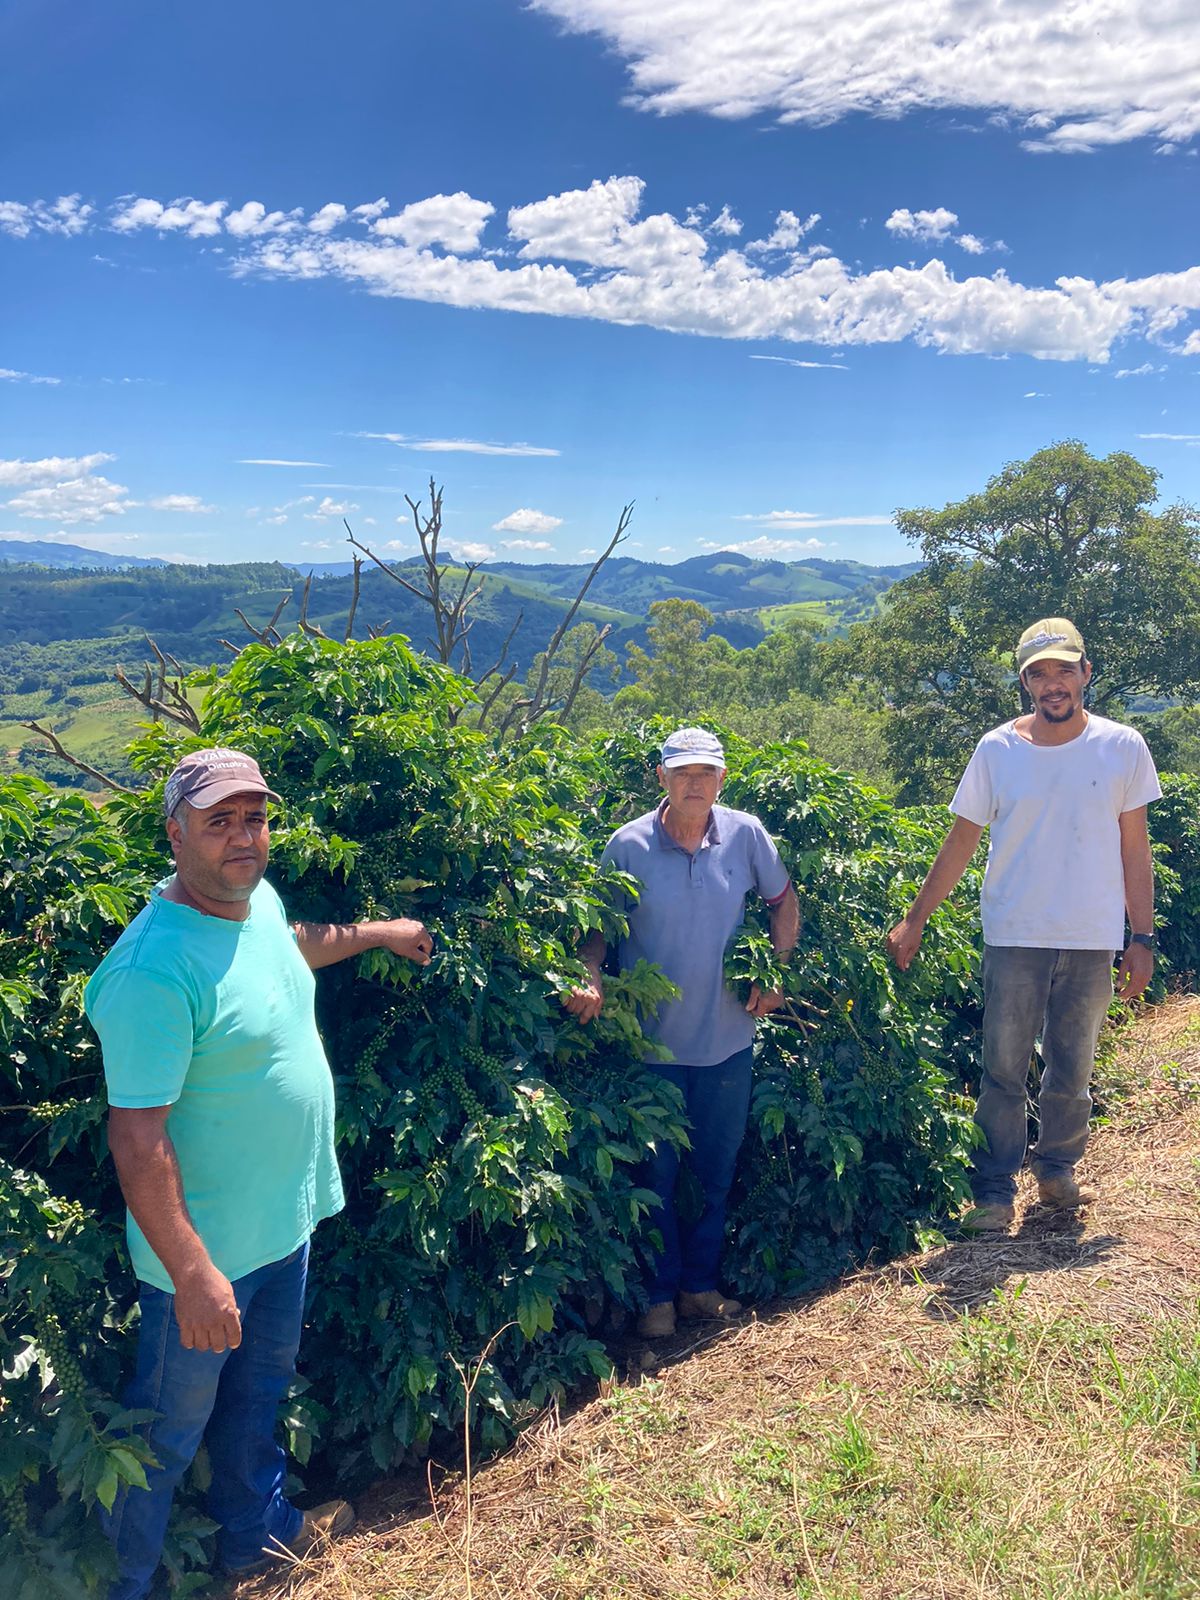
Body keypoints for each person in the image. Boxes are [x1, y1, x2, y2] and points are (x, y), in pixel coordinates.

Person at [85, 748, 434, 1600]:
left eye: (255, 817)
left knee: (257, 1400)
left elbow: (288, 947)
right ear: (176, 835)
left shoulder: (254, 900)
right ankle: (122, 1585)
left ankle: (257, 1539)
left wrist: (379, 933)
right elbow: (137, 1140)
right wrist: (193, 1273)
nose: (243, 837)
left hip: (283, 1227)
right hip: (202, 1263)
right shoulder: (151, 969)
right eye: (219, 821)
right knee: (161, 1441)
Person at [886, 619, 1160, 1230]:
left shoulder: (1122, 746)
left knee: (1073, 1069)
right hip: (1014, 934)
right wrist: (916, 918)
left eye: (1064, 670)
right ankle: (993, 1189)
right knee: (1003, 1070)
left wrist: (1141, 938)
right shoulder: (997, 750)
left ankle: (1057, 1171)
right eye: (1039, 674)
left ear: (1086, 673)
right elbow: (961, 840)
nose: (1052, 683)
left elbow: (1134, 849)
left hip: (1090, 938)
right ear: (1025, 683)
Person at [565, 727, 800, 1337]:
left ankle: (699, 1288)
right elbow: (598, 928)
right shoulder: (627, 846)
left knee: (715, 1174)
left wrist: (775, 970)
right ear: (662, 779)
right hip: (651, 1049)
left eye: (705, 774)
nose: (695, 784)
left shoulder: (746, 834)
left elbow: (782, 899)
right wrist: (589, 972)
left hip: (728, 1044)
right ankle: (658, 1298)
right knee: (656, 1177)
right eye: (682, 773)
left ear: (721, 780)